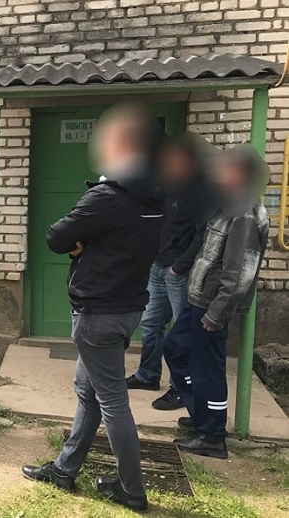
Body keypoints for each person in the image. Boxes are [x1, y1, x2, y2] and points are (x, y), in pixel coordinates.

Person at [22, 104, 164, 512]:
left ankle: (132, 490)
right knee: (89, 393)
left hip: (98, 314)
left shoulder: (107, 196)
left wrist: (79, 246)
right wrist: (93, 245)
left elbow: (56, 237)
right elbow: (129, 243)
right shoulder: (157, 196)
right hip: (128, 308)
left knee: (112, 401)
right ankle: (64, 470)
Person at [165, 144, 269, 459]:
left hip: (211, 306)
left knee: (207, 369)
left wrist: (216, 314)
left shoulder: (243, 214)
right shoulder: (227, 206)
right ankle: (203, 413)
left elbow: (239, 274)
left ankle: (212, 436)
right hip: (198, 299)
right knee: (175, 349)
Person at [125, 133, 216, 413]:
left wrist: (180, 266)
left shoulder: (202, 190)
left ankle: (180, 388)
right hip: (159, 266)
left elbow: (203, 235)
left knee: (180, 333)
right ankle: (147, 375)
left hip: (179, 271)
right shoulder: (170, 184)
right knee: (151, 323)